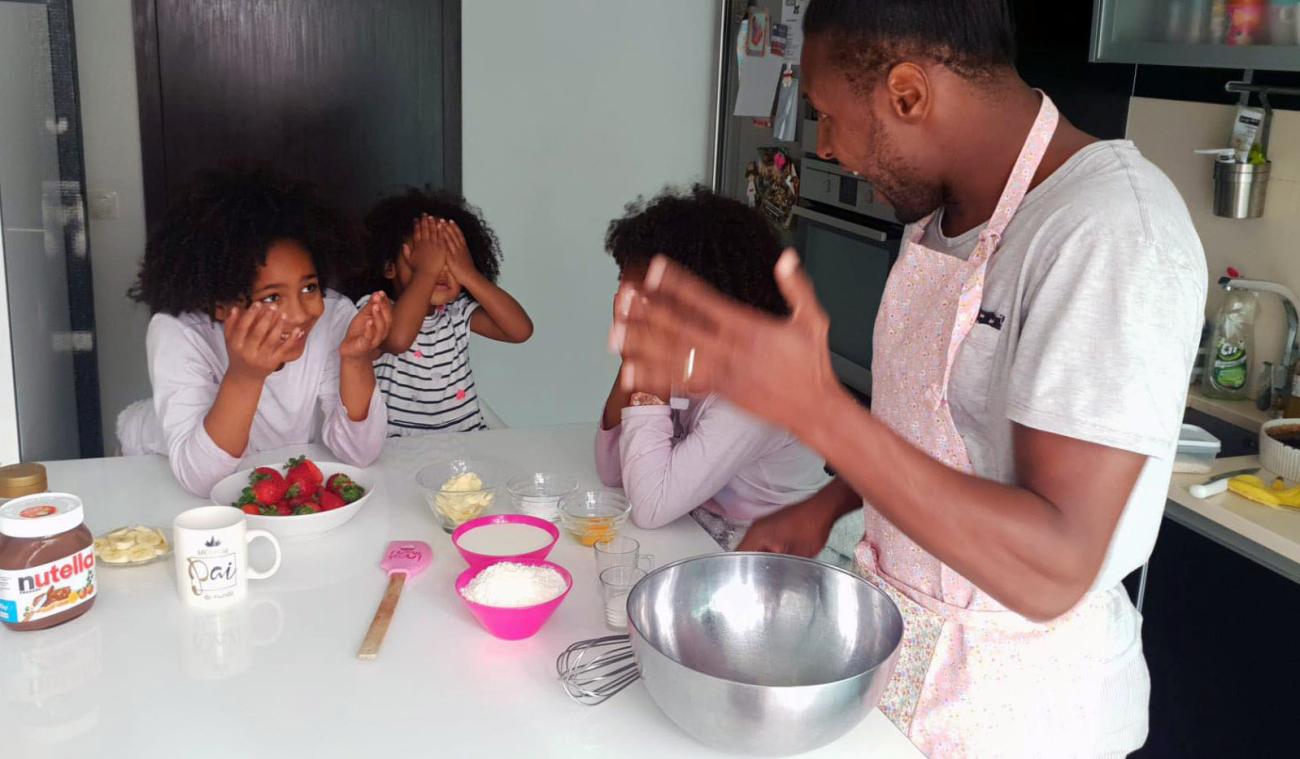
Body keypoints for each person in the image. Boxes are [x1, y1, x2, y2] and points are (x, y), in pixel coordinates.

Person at [608, 0, 1208, 755]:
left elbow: (1055, 561)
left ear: (907, 94)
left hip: (1027, 714)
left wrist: (821, 412)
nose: (826, 147)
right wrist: (829, 500)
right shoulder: (941, 222)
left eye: (827, 115)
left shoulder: (1108, 231)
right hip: (905, 667)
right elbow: (938, 430)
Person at [128, 167, 391, 497]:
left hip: (265, 467)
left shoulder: (334, 316)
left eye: (309, 287)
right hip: (151, 466)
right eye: (272, 297)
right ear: (220, 303)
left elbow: (360, 454)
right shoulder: (179, 332)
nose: (299, 314)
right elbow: (201, 480)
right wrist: (245, 376)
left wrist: (356, 361)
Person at [594, 187, 829, 549]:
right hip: (703, 521)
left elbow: (651, 507)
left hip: (775, 546)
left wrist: (646, 365)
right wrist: (634, 360)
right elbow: (612, 471)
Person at [355, 190, 532, 435]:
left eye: (449, 261)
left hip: (463, 448)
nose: (438, 269)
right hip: (398, 452)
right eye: (424, 258)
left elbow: (520, 331)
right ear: (389, 268)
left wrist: (469, 274)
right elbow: (397, 340)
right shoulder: (376, 308)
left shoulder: (456, 311)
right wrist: (425, 273)